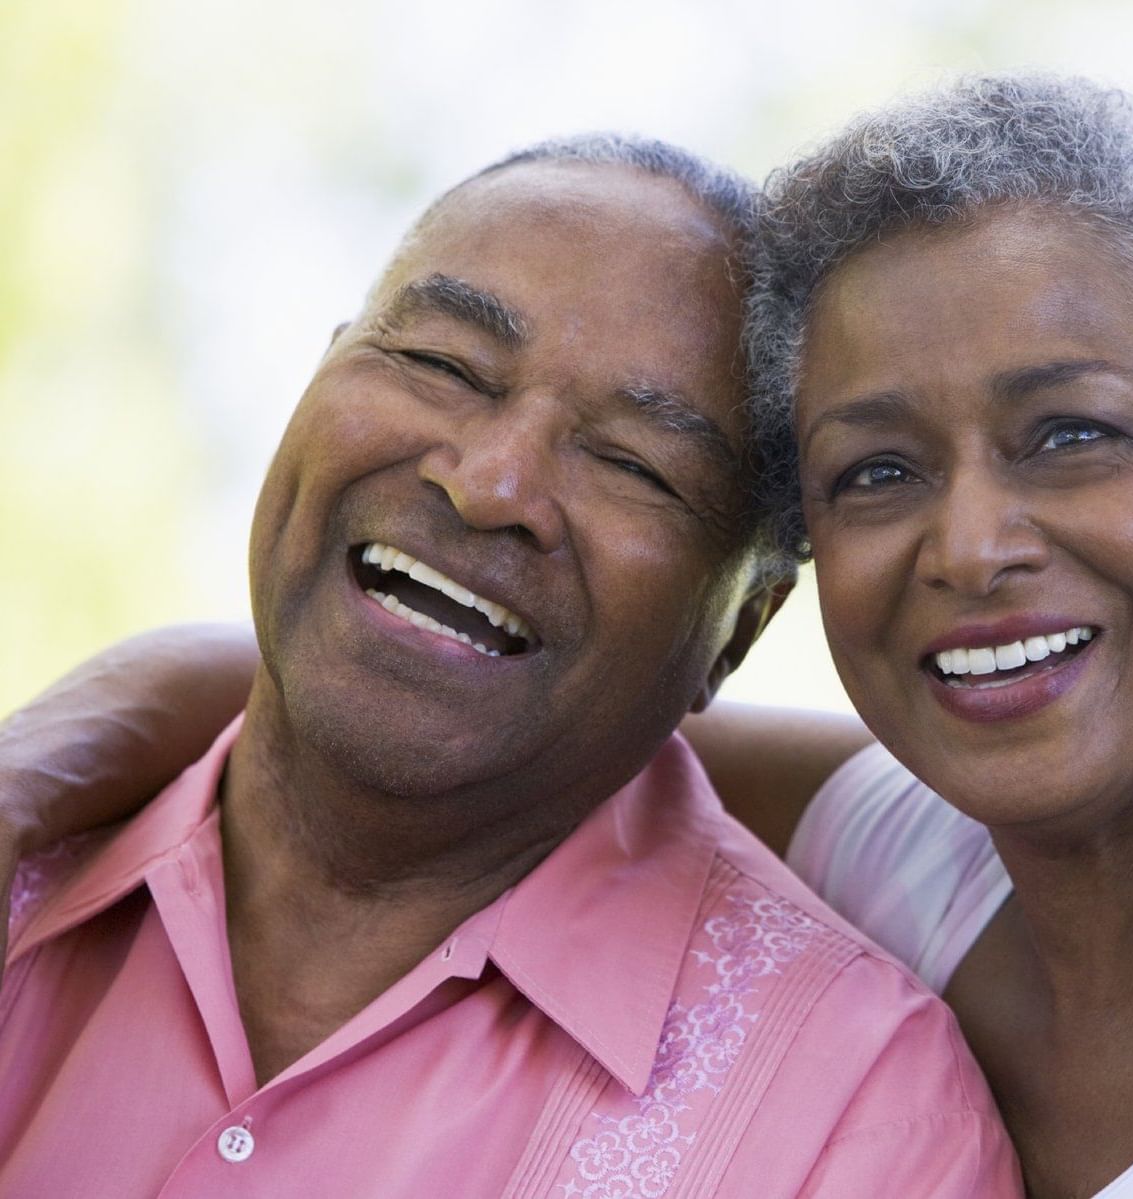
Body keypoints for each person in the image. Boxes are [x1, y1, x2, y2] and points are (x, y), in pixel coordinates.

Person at [7, 75, 1133, 1197]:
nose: (970, 542)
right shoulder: (911, 841)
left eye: (1069, 435)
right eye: (877, 470)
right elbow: (468, 689)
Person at [0, 134, 1020, 1198]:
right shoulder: (34, 863)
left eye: (634, 462)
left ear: (739, 631)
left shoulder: (854, 1119)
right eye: (442, 364)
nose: (492, 483)